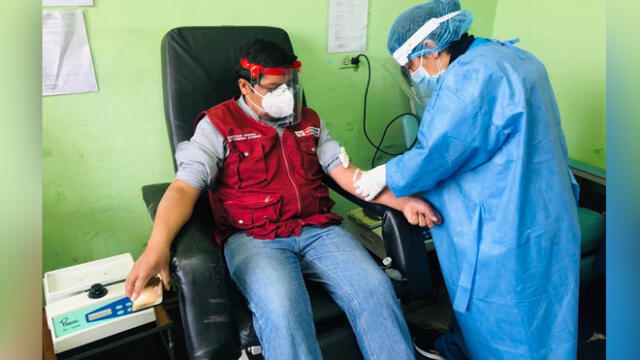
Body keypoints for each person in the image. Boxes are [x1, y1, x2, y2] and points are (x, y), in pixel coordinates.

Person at [125, 38, 441, 360]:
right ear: (245, 87)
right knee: (283, 307)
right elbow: (182, 188)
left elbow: (348, 172)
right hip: (255, 238)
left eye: (290, 85)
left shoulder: (310, 121)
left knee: (376, 289)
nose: (285, 96)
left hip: (317, 229)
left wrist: (403, 202)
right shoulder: (219, 125)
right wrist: (157, 247)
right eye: (274, 87)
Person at [354, 0, 581, 359]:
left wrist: (387, 174)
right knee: (545, 305)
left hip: (505, 222)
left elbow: (442, 150)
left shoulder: (471, 76)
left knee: (507, 313)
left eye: (412, 63)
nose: (416, 73)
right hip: (547, 205)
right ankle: (461, 346)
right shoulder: (514, 56)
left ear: (431, 46)